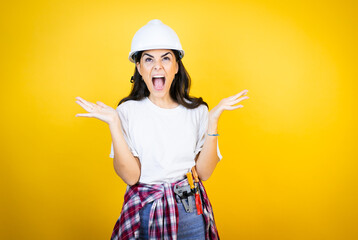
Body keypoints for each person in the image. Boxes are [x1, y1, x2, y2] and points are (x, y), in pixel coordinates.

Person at [75, 19, 249, 240]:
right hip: (145, 208)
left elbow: (204, 172)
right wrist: (114, 124)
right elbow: (131, 176)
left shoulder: (198, 111)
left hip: (190, 209)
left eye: (166, 58)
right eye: (149, 59)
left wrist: (213, 120)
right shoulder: (127, 111)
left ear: (176, 66)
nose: (158, 66)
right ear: (139, 67)